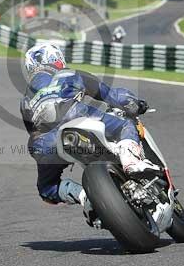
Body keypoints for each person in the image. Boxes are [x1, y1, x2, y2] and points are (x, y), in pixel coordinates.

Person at [20, 43, 158, 221]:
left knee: (47, 188)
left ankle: (85, 197)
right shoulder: (70, 74)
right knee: (125, 125)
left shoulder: (25, 99)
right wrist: (137, 104)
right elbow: (114, 96)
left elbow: (33, 133)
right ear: (56, 59)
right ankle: (132, 163)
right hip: (78, 117)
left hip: (46, 143)